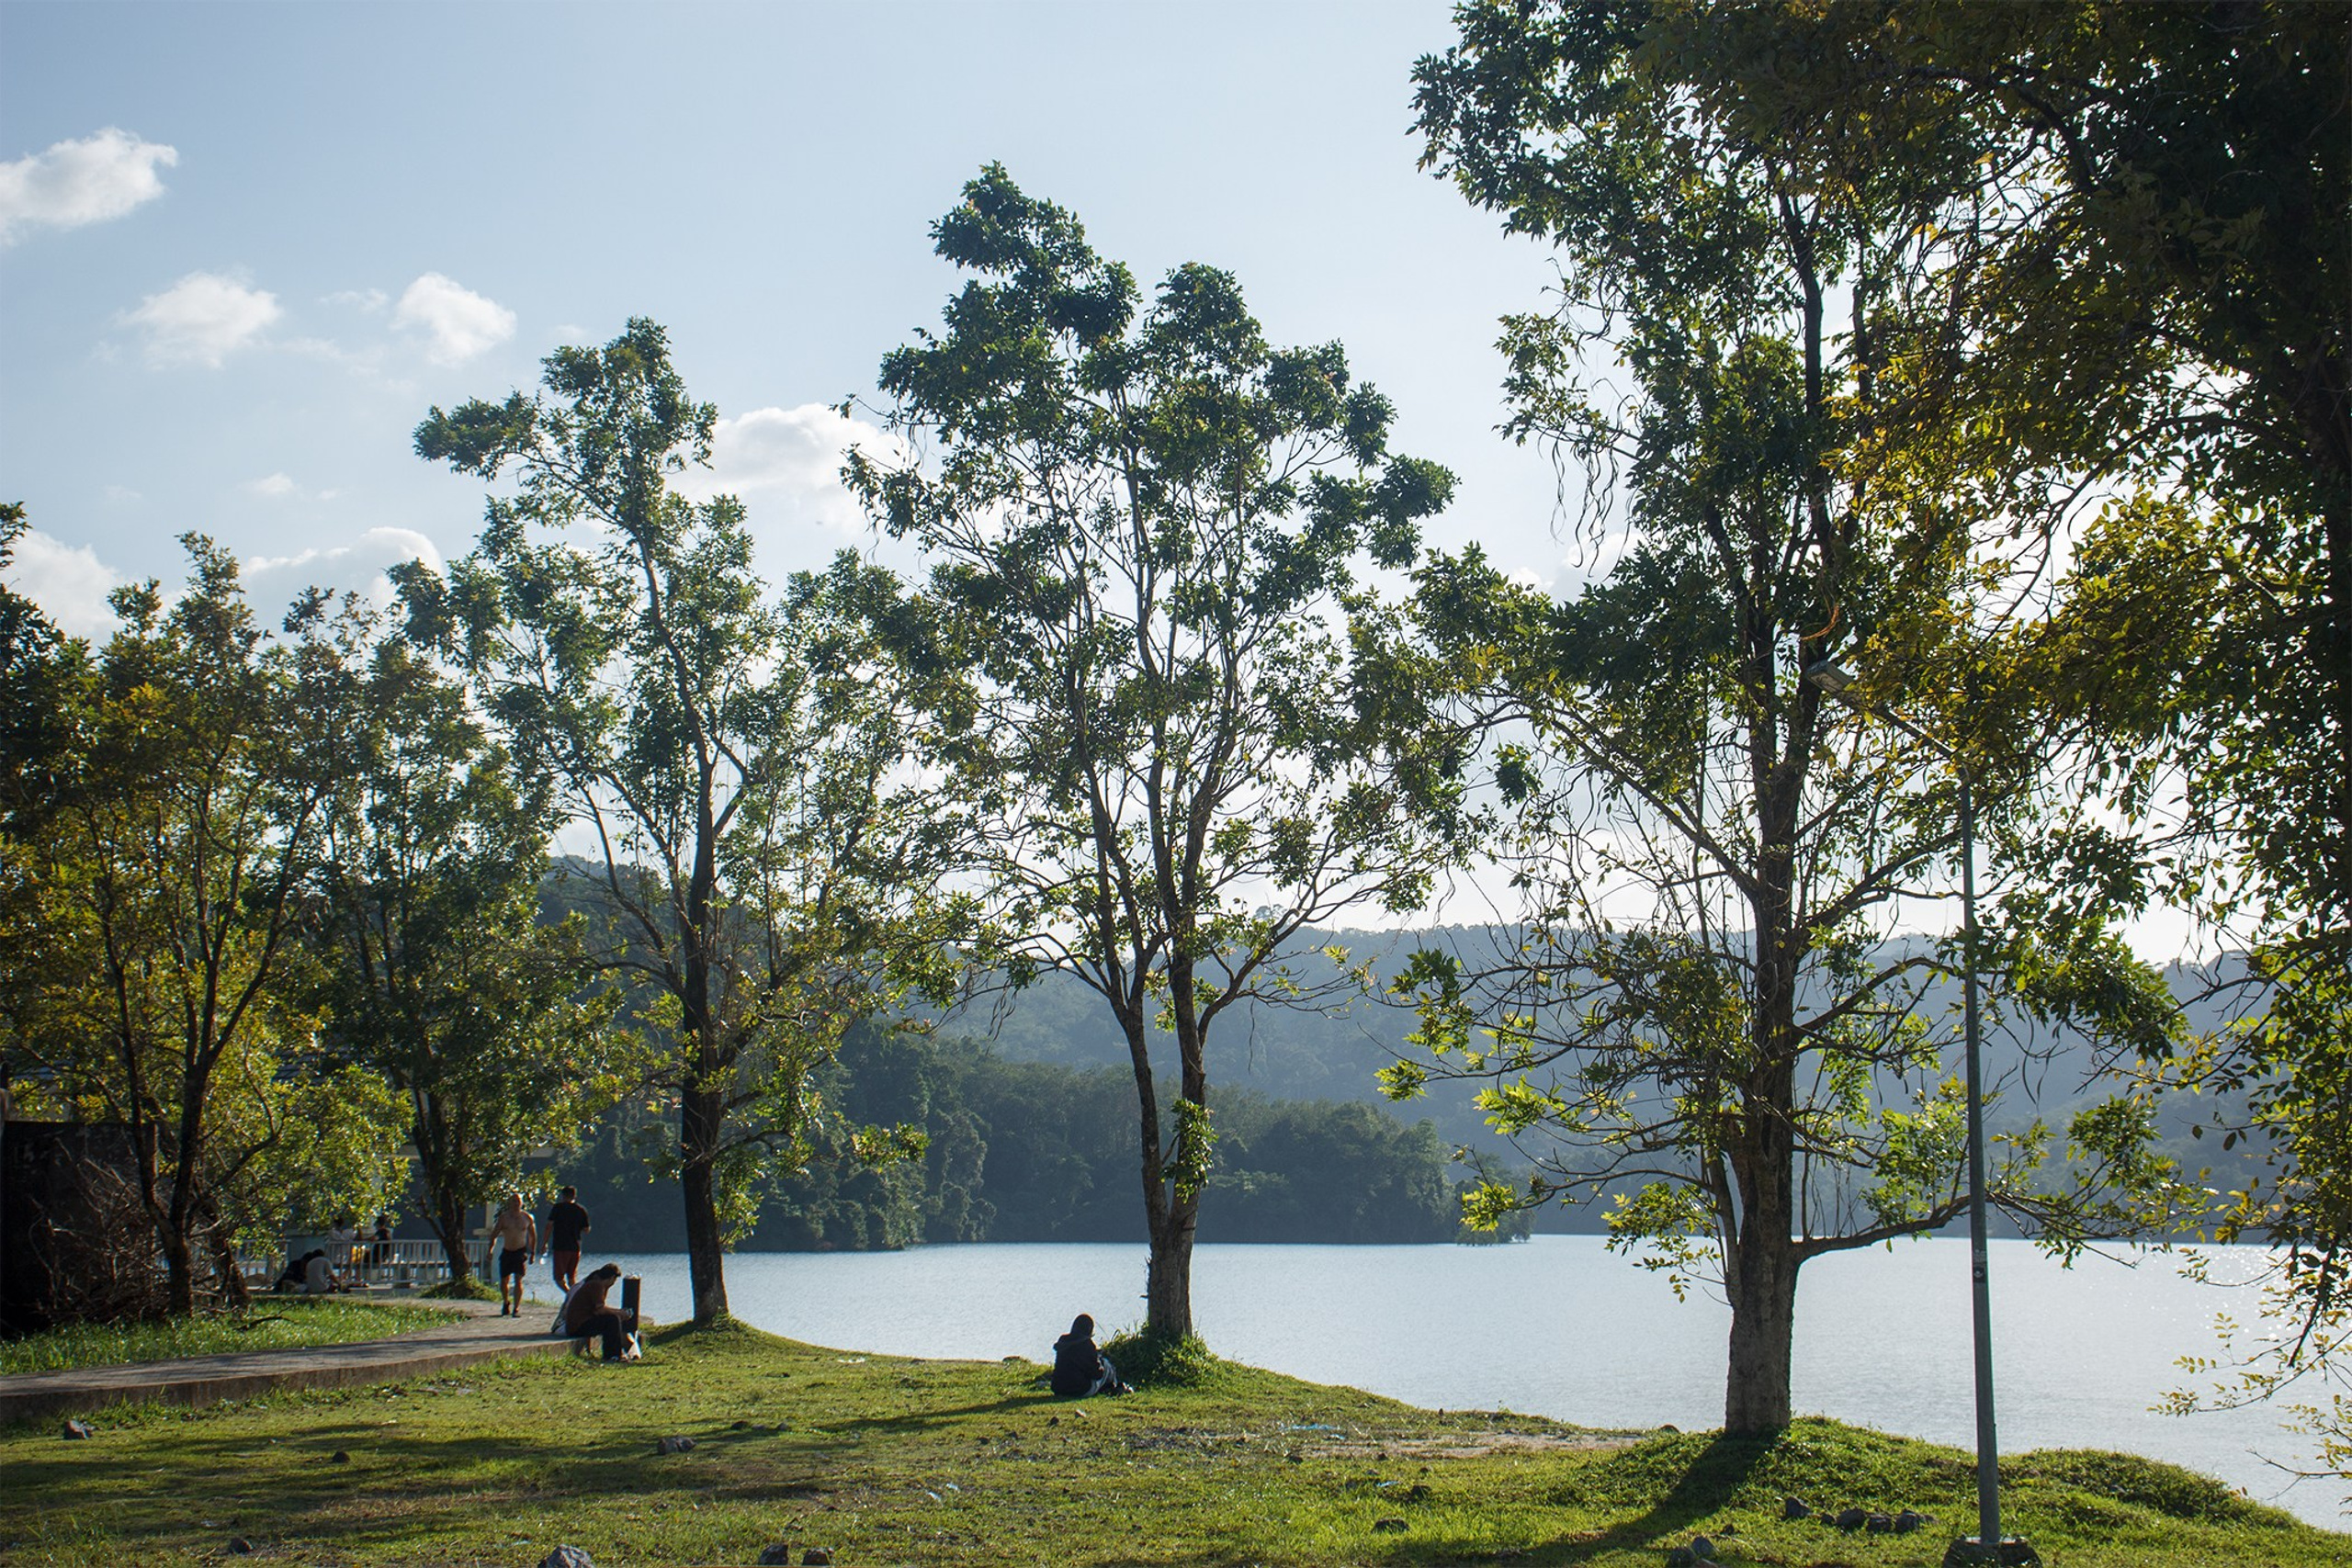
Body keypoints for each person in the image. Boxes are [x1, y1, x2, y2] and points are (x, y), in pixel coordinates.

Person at [562, 1262, 634, 1361]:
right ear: (612, 1278)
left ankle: (615, 1353)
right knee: (612, 1320)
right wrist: (620, 1313)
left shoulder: (594, 1284)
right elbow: (600, 1309)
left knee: (612, 1318)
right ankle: (612, 1355)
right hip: (577, 1327)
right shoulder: (597, 1285)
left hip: (579, 1324)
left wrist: (619, 1312)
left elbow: (598, 1309)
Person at [1050, 1313, 1125, 1397]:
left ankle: (1108, 1387)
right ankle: (1115, 1387)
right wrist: (1099, 1362)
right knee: (1106, 1364)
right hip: (1081, 1390)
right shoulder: (1087, 1345)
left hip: (1058, 1388)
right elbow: (1097, 1374)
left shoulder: (1063, 1341)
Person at [490, 1192, 537, 1317]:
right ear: (509, 1203)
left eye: (518, 1201)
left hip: (520, 1251)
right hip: (507, 1251)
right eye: (514, 1201)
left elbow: (532, 1236)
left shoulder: (527, 1218)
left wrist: (533, 1252)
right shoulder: (504, 1218)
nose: (516, 1204)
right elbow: (494, 1235)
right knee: (504, 1280)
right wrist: (490, 1250)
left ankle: (516, 1308)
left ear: (522, 1203)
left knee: (518, 1279)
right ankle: (506, 1302)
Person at [546, 1186, 590, 1294]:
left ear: (562, 1195)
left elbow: (549, 1226)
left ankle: (571, 1295)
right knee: (571, 1278)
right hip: (575, 1247)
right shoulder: (581, 1210)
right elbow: (586, 1229)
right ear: (575, 1195)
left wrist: (544, 1243)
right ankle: (574, 1296)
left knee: (558, 1278)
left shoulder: (557, 1208)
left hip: (560, 1247)